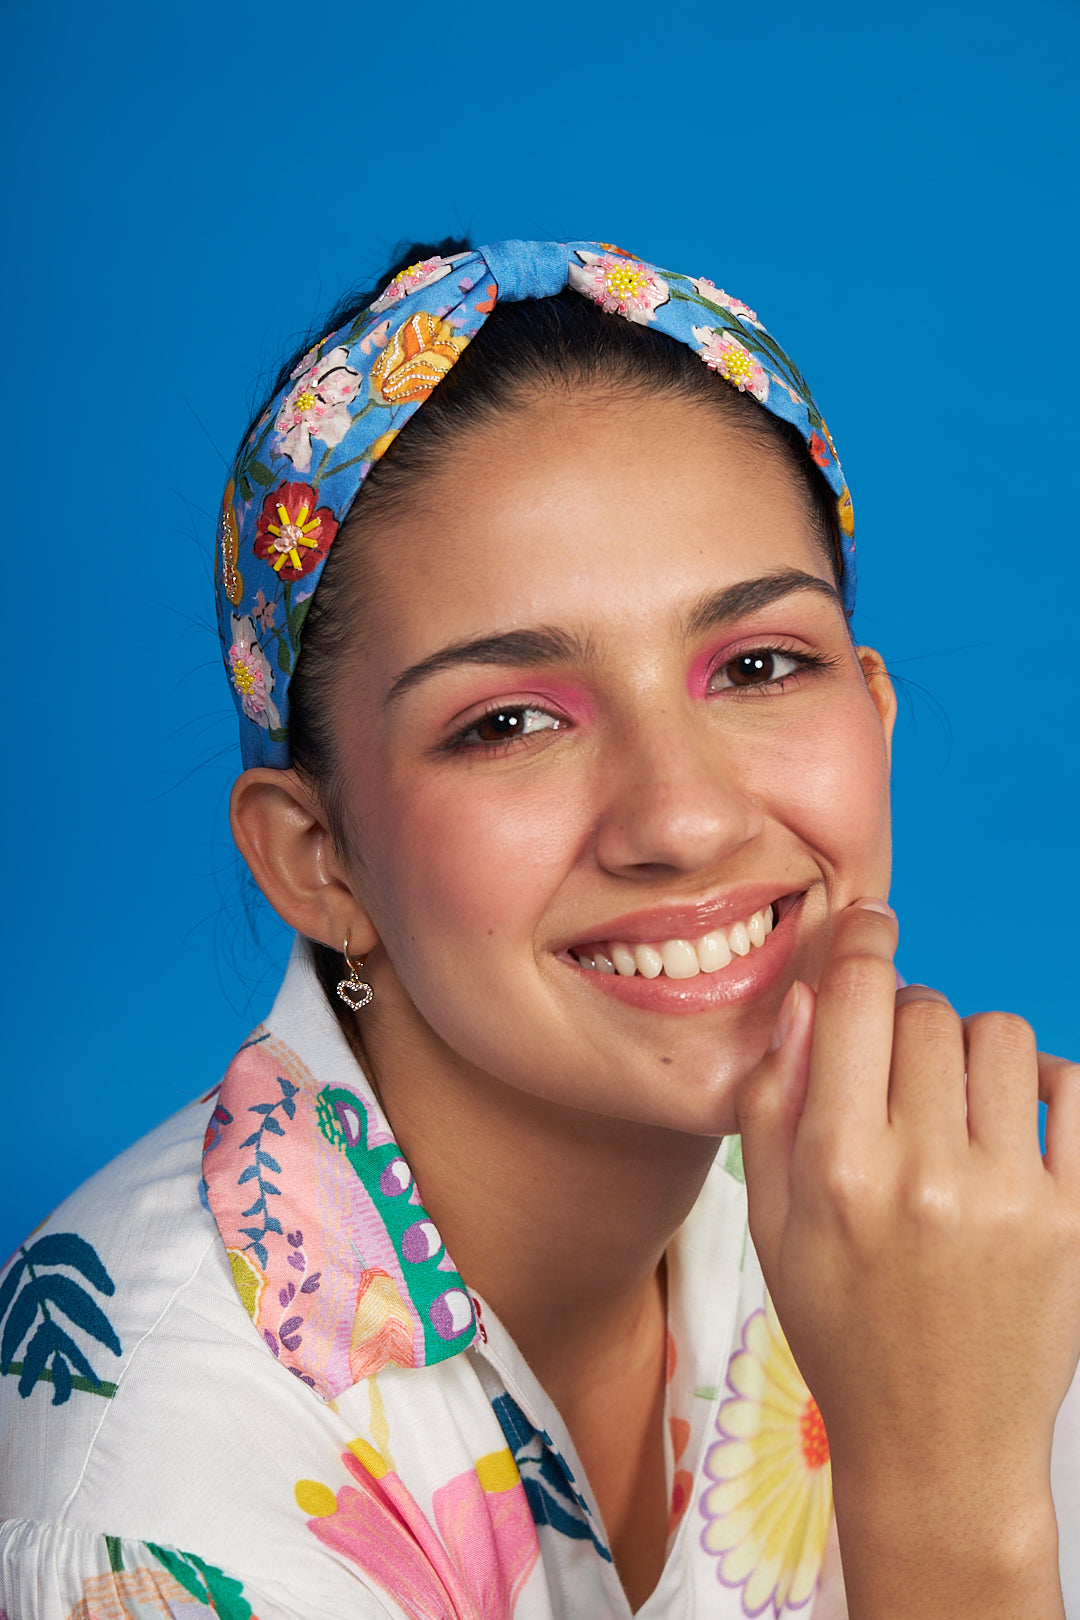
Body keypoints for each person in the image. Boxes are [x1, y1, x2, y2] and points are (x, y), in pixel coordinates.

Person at [2, 236, 1079, 1620]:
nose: (684, 818)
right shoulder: (145, 1499)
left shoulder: (931, 1219)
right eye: (509, 722)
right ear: (318, 860)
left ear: (873, 721)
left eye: (757, 666)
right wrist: (947, 1507)